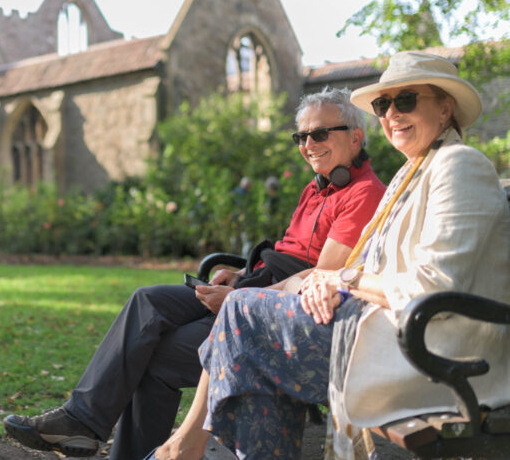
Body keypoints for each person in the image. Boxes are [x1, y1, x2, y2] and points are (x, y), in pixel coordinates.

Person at [148, 51, 510, 460]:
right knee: (247, 333)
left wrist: (343, 280)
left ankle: (179, 449)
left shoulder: (459, 165)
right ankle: (181, 449)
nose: (391, 113)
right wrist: (322, 281)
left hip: (437, 356)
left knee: (241, 318)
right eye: (382, 104)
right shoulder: (412, 175)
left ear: (446, 107)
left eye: (406, 100)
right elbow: (366, 266)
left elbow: (433, 286)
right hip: (389, 333)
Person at [3, 87, 386, 459]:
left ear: (355, 138)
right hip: (261, 285)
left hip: (277, 314)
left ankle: (93, 431)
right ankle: (81, 420)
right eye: (300, 136)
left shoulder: (363, 193)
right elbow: (288, 255)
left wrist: (239, 299)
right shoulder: (316, 188)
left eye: (319, 134)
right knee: (146, 300)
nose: (307, 144)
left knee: (153, 357)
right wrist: (238, 278)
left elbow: (321, 277)